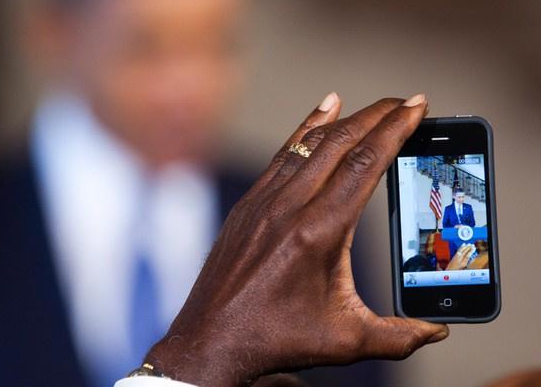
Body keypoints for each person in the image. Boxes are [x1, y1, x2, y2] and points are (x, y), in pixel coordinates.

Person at [0, 0, 384, 386]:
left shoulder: (308, 225)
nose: (189, 84)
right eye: (146, 46)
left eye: (217, 41)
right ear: (54, 32)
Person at [109, 93, 446, 386]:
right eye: (145, 51)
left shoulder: (304, 213)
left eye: (215, 49)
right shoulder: (274, 212)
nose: (186, 82)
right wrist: (196, 364)